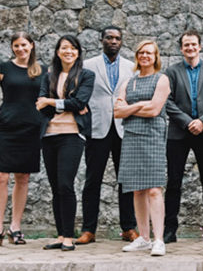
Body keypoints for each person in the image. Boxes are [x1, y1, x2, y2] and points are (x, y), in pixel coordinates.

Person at [0, 32, 44, 248]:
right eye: (16, 45)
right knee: (0, 177)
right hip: (6, 129)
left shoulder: (42, 70)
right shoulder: (3, 68)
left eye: (24, 45)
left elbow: (50, 97)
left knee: (23, 177)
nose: (20, 49)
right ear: (12, 48)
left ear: (31, 45)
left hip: (30, 130)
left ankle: (15, 227)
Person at [76, 26, 138, 244]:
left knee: (126, 181)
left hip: (123, 128)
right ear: (101, 40)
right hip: (97, 128)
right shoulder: (88, 65)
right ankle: (88, 230)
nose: (113, 41)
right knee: (93, 180)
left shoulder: (131, 67)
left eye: (117, 38)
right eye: (109, 38)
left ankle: (128, 228)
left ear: (122, 42)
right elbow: (79, 92)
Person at [37, 35, 95, 251]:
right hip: (49, 135)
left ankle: (70, 236)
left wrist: (51, 102)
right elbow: (40, 104)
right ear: (58, 52)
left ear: (78, 52)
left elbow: (79, 102)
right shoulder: (49, 76)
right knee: (55, 187)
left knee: (65, 184)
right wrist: (64, 104)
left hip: (72, 134)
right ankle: (60, 235)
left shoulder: (86, 75)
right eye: (64, 48)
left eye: (73, 48)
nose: (68, 51)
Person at [114, 40, 171, 257]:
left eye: (149, 53)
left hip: (153, 138)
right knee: (136, 190)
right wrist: (139, 105)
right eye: (141, 52)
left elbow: (154, 110)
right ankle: (144, 238)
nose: (144, 56)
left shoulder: (161, 79)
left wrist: (130, 107)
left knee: (154, 189)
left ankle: (159, 239)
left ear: (155, 57)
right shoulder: (128, 82)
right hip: (131, 138)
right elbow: (117, 112)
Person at [163, 29, 203, 244]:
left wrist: (202, 121)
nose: (190, 48)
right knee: (173, 182)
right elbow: (167, 101)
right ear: (181, 48)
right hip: (178, 133)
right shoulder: (171, 72)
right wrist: (187, 122)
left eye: (194, 44)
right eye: (186, 45)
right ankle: (169, 230)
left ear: (200, 47)